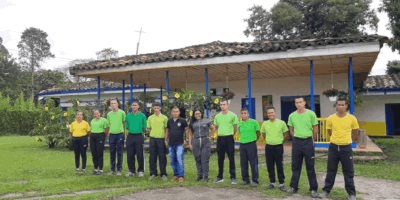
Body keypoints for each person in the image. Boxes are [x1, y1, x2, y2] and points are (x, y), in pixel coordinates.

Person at [319, 99, 359, 200]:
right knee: (331, 170)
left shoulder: (352, 118)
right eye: (339, 105)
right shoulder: (331, 118)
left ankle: (351, 193)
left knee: (348, 171)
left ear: (346, 106)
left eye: (343, 105)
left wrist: (348, 140)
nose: (340, 107)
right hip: (333, 148)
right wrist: (336, 139)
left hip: (346, 148)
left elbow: (355, 132)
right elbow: (329, 131)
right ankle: (326, 191)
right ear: (336, 106)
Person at [287, 96, 319, 198]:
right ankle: (293, 187)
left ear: (304, 103)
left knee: (310, 166)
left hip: (308, 141)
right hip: (297, 142)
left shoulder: (311, 114)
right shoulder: (292, 115)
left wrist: (312, 139)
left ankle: (313, 189)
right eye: (296, 102)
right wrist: (294, 137)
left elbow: (315, 128)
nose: (298, 104)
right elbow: (291, 129)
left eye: (300, 102)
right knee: (295, 165)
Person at [261, 107, 289, 191]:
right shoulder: (265, 123)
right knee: (270, 165)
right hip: (269, 147)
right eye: (269, 113)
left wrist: (280, 142)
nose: (270, 114)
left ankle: (281, 183)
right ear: (267, 114)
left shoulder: (281, 123)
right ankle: (272, 182)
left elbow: (286, 135)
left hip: (278, 147)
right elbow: (263, 134)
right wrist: (269, 141)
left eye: (272, 112)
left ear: (275, 113)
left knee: (279, 165)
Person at [213, 99, 239, 184]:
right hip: (220, 138)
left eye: (224, 104)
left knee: (231, 158)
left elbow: (235, 128)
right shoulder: (217, 116)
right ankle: (220, 177)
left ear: (228, 105)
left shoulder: (233, 115)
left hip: (229, 138)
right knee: (220, 158)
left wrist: (230, 134)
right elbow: (216, 127)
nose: (222, 106)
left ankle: (233, 177)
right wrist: (212, 135)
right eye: (221, 104)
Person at [188, 109, 215, 182]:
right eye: (196, 114)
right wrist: (190, 143)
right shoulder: (192, 123)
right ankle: (200, 175)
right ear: (194, 115)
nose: (198, 115)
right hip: (196, 141)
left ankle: (206, 176)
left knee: (205, 159)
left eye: (199, 113)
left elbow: (213, 128)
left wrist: (211, 136)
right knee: (197, 159)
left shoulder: (206, 121)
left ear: (201, 114)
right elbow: (190, 134)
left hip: (205, 141)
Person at [238, 108, 260, 187]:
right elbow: (240, 132)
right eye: (242, 113)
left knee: (253, 162)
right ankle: (245, 179)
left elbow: (258, 133)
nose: (243, 115)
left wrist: (254, 140)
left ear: (248, 114)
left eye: (245, 113)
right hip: (242, 145)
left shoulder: (254, 122)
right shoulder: (240, 124)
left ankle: (255, 180)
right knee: (243, 163)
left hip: (251, 144)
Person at [165, 107, 189, 183]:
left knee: (179, 159)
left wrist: (186, 140)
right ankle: (176, 175)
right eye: (174, 112)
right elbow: (167, 130)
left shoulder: (182, 121)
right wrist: (165, 139)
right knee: (172, 160)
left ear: (179, 112)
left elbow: (187, 130)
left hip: (180, 144)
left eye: (177, 111)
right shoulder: (169, 121)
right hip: (171, 144)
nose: (175, 113)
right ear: (171, 113)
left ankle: (181, 176)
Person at [124, 101, 147, 178]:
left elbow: (144, 127)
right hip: (130, 136)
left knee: (140, 154)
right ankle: (131, 171)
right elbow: (127, 127)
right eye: (133, 105)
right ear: (131, 107)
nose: (134, 106)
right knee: (130, 154)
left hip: (139, 136)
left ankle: (141, 171)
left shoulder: (142, 116)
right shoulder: (128, 116)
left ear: (138, 106)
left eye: (135, 105)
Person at [147, 102, 169, 180]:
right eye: (155, 108)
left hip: (161, 139)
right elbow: (149, 129)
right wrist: (153, 134)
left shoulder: (164, 118)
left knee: (162, 156)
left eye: (158, 108)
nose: (156, 109)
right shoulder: (150, 118)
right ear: (153, 108)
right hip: (153, 139)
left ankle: (163, 173)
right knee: (152, 157)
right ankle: (153, 173)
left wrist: (165, 139)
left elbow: (167, 129)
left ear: (160, 108)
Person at [107, 98, 126, 176]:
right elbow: (109, 124)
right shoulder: (109, 114)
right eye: (112, 103)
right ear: (110, 105)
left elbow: (124, 123)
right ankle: (112, 169)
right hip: (112, 135)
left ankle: (119, 169)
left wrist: (124, 133)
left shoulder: (122, 113)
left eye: (114, 103)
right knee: (112, 152)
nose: (113, 105)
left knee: (119, 152)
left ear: (117, 104)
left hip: (120, 134)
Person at [89, 109, 109, 175]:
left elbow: (106, 129)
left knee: (99, 152)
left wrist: (104, 136)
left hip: (100, 135)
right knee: (93, 152)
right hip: (92, 136)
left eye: (97, 113)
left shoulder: (104, 120)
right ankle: (95, 169)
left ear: (100, 113)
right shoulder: (92, 121)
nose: (96, 115)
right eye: (95, 113)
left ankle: (101, 169)